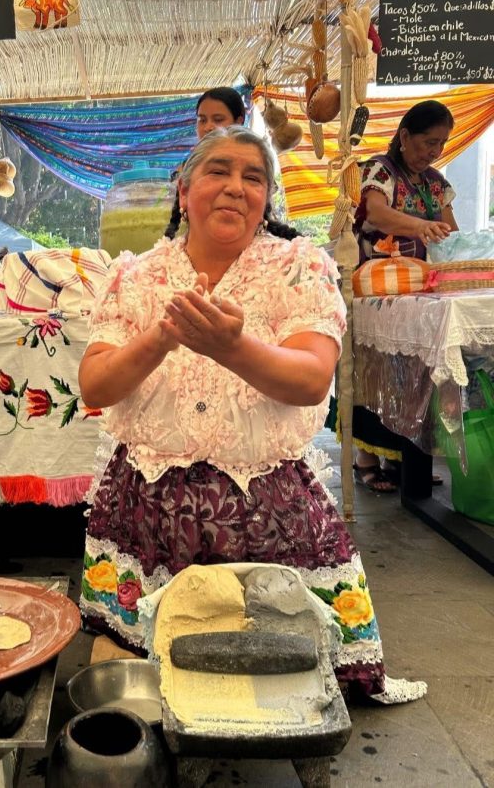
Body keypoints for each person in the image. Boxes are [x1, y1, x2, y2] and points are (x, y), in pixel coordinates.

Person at [79, 125, 425, 704]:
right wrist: (163, 336)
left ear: (267, 199)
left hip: (268, 512)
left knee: (280, 676)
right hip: (149, 509)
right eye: (219, 171)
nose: (236, 187)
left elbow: (313, 379)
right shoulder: (135, 277)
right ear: (183, 190)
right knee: (154, 679)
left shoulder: (298, 269)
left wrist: (231, 348)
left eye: (254, 177)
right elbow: (96, 383)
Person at [350, 100, 457, 493]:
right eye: (428, 141)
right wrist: (421, 225)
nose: (434, 151)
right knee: (371, 373)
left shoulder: (436, 183)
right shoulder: (379, 170)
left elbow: (451, 232)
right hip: (374, 289)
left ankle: (404, 458)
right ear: (405, 135)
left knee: (411, 376)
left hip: (418, 293)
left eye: (441, 144)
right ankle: (365, 458)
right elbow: (376, 214)